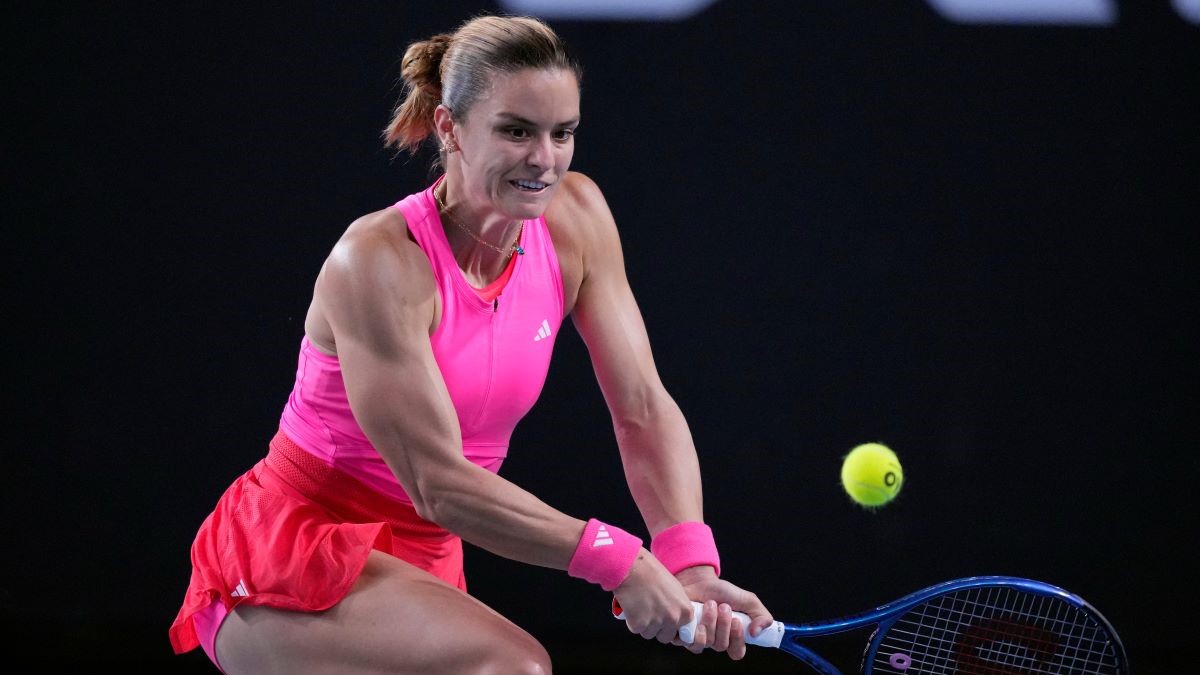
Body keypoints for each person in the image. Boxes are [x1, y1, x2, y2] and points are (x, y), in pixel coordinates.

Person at [169, 14, 772, 674]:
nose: (544, 159)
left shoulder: (577, 219)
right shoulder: (377, 261)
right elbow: (438, 485)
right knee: (512, 665)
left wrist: (689, 561)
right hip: (293, 556)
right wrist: (619, 560)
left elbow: (643, 408)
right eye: (516, 131)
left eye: (562, 132)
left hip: (421, 564)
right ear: (450, 128)